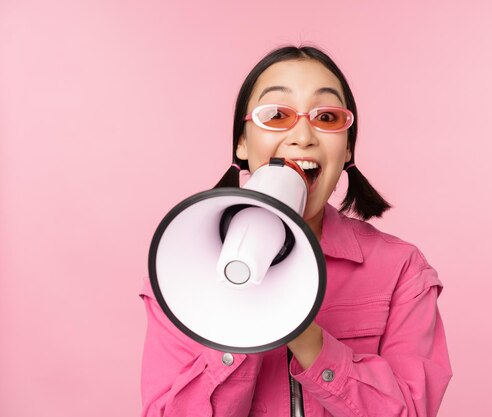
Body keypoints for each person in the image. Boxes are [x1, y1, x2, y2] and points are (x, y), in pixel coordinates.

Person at [140, 45, 453, 417]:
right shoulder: (180, 268)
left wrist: (305, 334)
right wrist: (239, 320)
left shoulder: (402, 269)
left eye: (326, 116)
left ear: (348, 147)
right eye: (276, 115)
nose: (303, 135)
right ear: (241, 142)